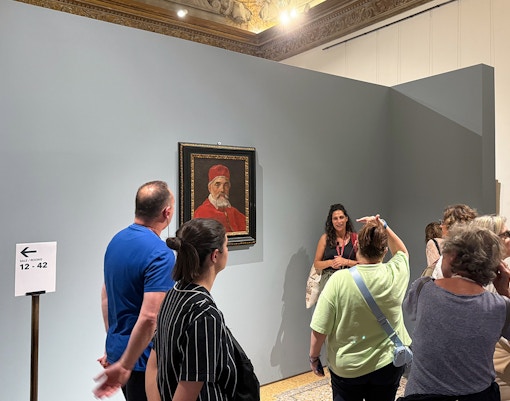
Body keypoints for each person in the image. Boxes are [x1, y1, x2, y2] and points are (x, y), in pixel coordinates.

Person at [149, 218, 254, 401]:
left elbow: (153, 366)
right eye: (226, 246)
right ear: (215, 255)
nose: (227, 251)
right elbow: (190, 387)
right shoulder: (205, 314)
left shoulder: (172, 295)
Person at [400, 224, 510, 400]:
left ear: (452, 256)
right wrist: (504, 291)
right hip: (479, 396)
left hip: (423, 395)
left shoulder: (423, 288)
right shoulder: (500, 306)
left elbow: (411, 312)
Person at [309, 214, 410, 401]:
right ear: (384, 250)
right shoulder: (395, 273)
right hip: (388, 363)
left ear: (356, 246)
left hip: (348, 368)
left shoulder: (339, 280)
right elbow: (402, 252)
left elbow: (320, 328)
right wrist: (383, 225)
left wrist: (314, 358)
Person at [94, 181, 176, 400]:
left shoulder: (116, 241)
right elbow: (150, 317)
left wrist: (115, 347)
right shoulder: (161, 254)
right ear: (166, 212)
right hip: (143, 359)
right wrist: (126, 364)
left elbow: (106, 296)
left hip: (120, 352)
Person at [313, 204, 358, 294]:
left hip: (349, 281)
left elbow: (361, 264)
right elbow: (316, 264)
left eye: (341, 217)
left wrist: (345, 262)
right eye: (335, 218)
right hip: (329, 282)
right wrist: (331, 262)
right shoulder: (325, 238)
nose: (339, 221)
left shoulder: (355, 238)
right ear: (331, 221)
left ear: (346, 218)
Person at [193, 164, 247, 232]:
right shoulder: (201, 212)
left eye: (226, 185)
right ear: (210, 188)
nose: (222, 190)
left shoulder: (233, 211)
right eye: (217, 184)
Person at [431, 203, 477, 279]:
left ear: (451, 226)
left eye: (443, 222)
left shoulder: (451, 254)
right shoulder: (478, 252)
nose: (440, 226)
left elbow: (439, 280)